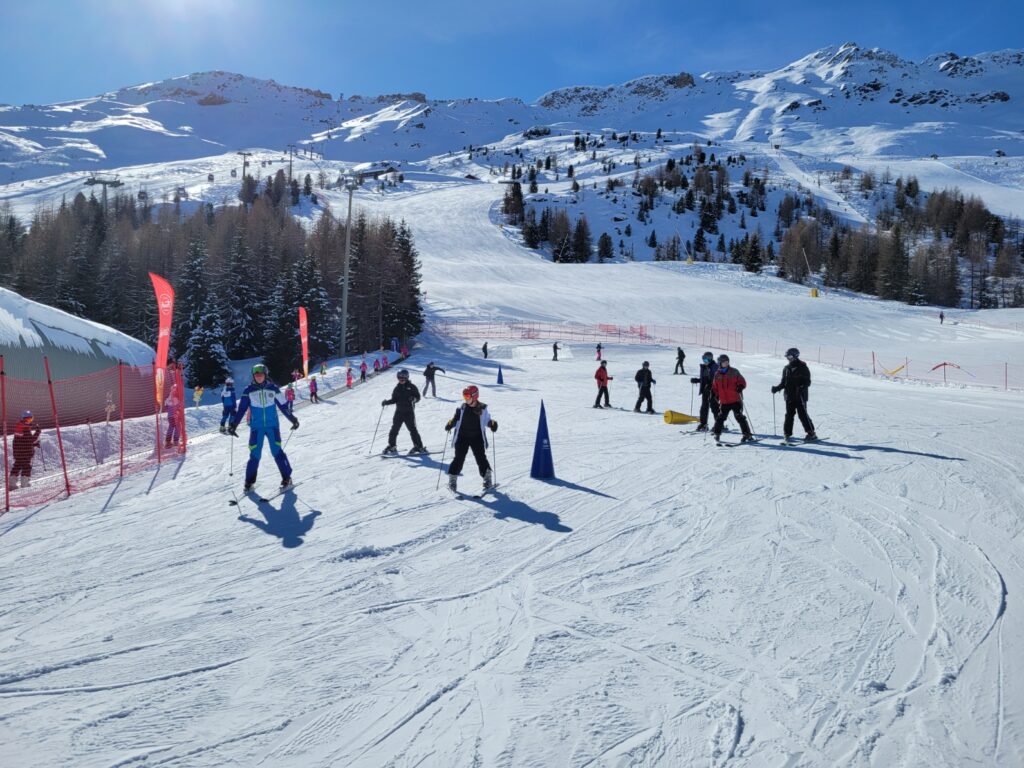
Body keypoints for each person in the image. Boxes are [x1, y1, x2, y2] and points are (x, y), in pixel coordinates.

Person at [227, 363, 299, 492]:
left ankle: (287, 478)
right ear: (253, 376)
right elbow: (242, 409)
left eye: (261, 374)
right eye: (256, 375)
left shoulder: (274, 388)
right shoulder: (248, 391)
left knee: (277, 452)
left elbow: (283, 406)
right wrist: (234, 424)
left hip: (272, 427)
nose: (258, 377)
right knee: (255, 454)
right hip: (256, 428)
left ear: (265, 375)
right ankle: (249, 482)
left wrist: (293, 419)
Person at [444, 385, 497, 493]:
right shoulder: (462, 408)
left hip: (476, 437)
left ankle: (487, 479)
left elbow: (487, 420)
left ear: (474, 396)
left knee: (481, 458)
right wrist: (450, 423)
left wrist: (492, 424)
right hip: (462, 437)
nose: (466, 398)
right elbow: (455, 419)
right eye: (464, 396)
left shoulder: (482, 408)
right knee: (459, 458)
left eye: (467, 396)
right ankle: (452, 480)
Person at [771, 348, 817, 442]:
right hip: (789, 396)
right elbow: (784, 382)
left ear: (795, 356)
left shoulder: (803, 367)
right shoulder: (786, 368)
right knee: (789, 415)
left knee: (802, 414)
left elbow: (808, 382)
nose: (788, 358)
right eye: (787, 356)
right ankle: (787, 434)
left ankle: (811, 433)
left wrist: (802, 386)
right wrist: (777, 388)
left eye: (790, 356)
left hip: (800, 396)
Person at [381, 369, 427, 455]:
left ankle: (419, 446)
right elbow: (394, 399)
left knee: (413, 430)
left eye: (403, 378)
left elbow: (418, 397)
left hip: (409, 412)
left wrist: (414, 399)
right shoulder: (397, 388)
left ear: (407, 378)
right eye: (399, 378)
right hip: (399, 413)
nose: (401, 380)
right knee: (394, 430)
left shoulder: (412, 387)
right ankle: (392, 446)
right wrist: (386, 402)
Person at [711, 355, 754, 442]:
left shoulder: (734, 372)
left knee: (740, 417)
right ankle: (717, 434)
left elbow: (742, 381)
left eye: (727, 361)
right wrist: (713, 394)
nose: (726, 363)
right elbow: (715, 387)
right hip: (724, 401)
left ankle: (747, 435)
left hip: (735, 400)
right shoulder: (717, 374)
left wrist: (741, 386)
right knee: (720, 418)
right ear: (720, 363)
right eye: (724, 362)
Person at [11, 410, 41, 488]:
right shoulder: (25, 429)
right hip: (26, 453)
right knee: (26, 467)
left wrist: (34, 444)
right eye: (26, 419)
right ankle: (24, 483)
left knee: (17, 466)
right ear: (23, 419)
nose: (28, 421)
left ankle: (12, 483)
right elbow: (31, 439)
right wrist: (37, 432)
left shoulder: (19, 427)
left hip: (18, 453)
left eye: (30, 419)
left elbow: (24, 441)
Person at [690, 352, 720, 431]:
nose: (705, 361)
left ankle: (719, 424)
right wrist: (697, 380)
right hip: (706, 390)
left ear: (710, 358)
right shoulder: (704, 367)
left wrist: (712, 384)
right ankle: (703, 423)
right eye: (703, 359)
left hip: (714, 390)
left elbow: (719, 379)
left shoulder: (715, 367)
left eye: (706, 359)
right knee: (704, 407)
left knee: (714, 407)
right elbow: (705, 379)